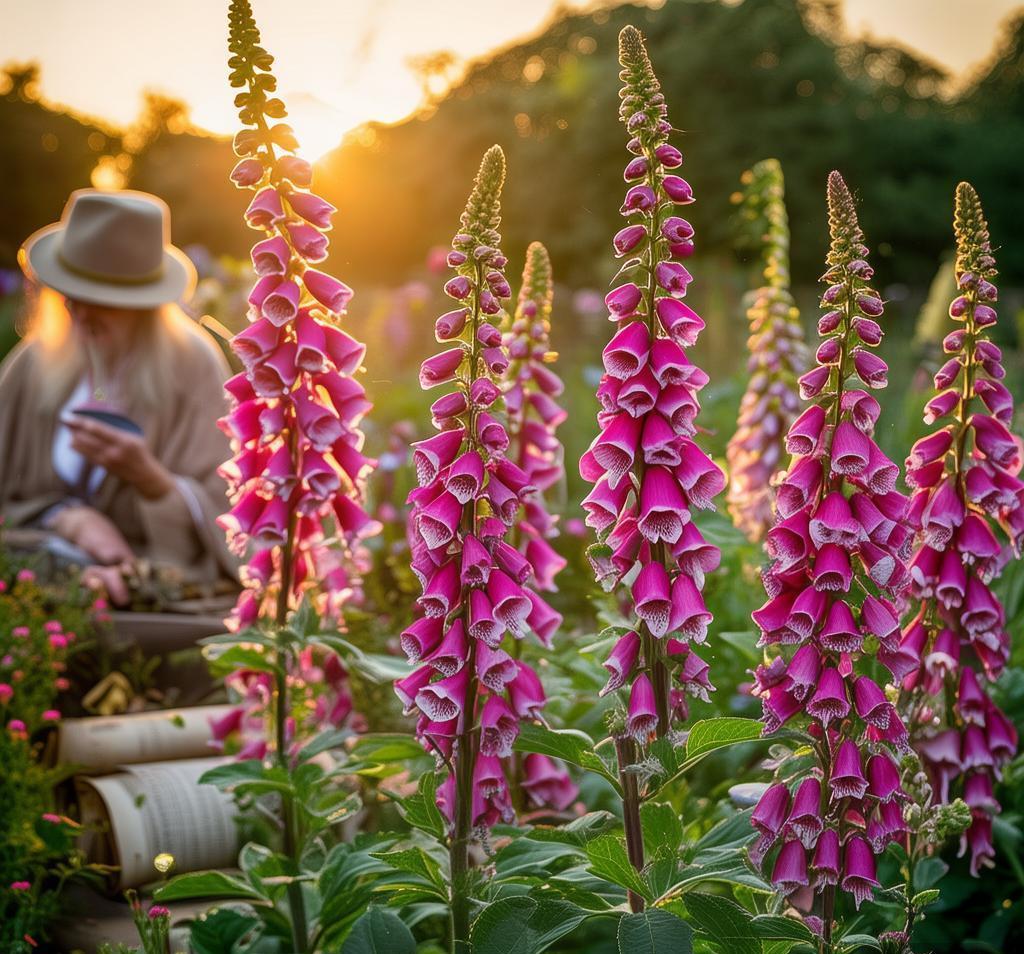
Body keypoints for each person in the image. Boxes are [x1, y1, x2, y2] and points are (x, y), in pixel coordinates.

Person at [0, 189, 237, 604]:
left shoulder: (193, 364)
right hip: (36, 574)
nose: (82, 315)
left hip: (153, 592)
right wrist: (69, 519)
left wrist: (150, 479)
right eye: (71, 297)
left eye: (102, 302)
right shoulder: (35, 360)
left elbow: (229, 517)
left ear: (144, 305)